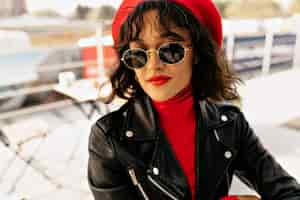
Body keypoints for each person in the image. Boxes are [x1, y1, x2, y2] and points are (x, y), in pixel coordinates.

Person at [87, 0, 300, 200]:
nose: (153, 66)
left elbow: (287, 192)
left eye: (170, 50)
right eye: (139, 54)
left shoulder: (230, 123)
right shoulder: (109, 138)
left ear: (197, 53)